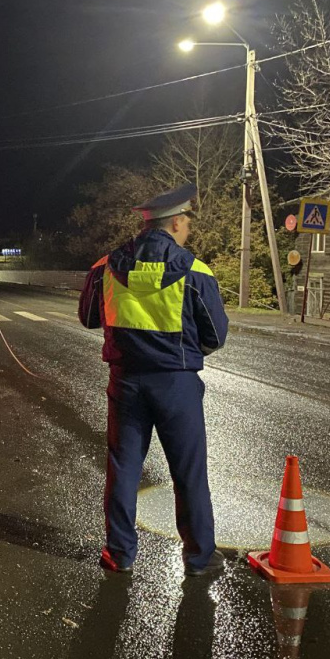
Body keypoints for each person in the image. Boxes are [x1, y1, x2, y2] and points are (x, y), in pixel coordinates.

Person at [78, 183, 229, 576]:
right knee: (188, 471)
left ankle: (119, 554)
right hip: (176, 384)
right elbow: (215, 335)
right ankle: (198, 558)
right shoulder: (195, 271)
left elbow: (90, 318)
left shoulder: (105, 266)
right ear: (176, 222)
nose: (189, 230)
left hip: (126, 381)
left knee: (123, 468)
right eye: (187, 223)